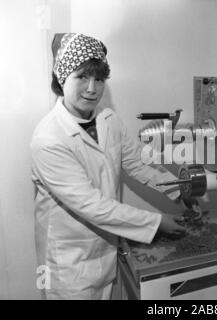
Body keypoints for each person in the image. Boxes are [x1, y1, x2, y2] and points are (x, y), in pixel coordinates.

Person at [30, 33, 186, 299]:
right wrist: (157, 222)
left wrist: (179, 189)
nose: (92, 88)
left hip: (106, 252)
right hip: (67, 266)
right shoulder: (48, 139)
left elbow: (138, 162)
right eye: (82, 77)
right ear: (61, 78)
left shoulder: (108, 120)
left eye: (99, 79)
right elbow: (92, 206)